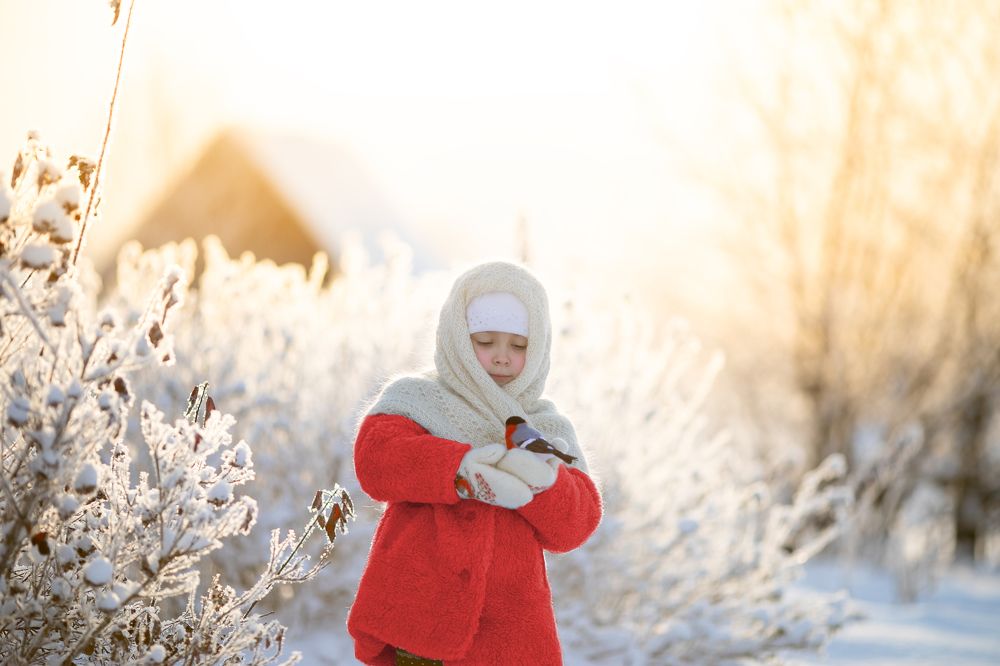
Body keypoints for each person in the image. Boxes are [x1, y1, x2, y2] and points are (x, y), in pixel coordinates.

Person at [346, 261, 602, 665]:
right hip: (418, 617)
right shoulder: (418, 398)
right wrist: (457, 469)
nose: (502, 357)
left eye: (518, 346)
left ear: (537, 349)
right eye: (486, 341)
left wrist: (543, 485)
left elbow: (577, 523)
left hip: (510, 633)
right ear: (458, 340)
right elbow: (377, 459)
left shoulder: (544, 426)